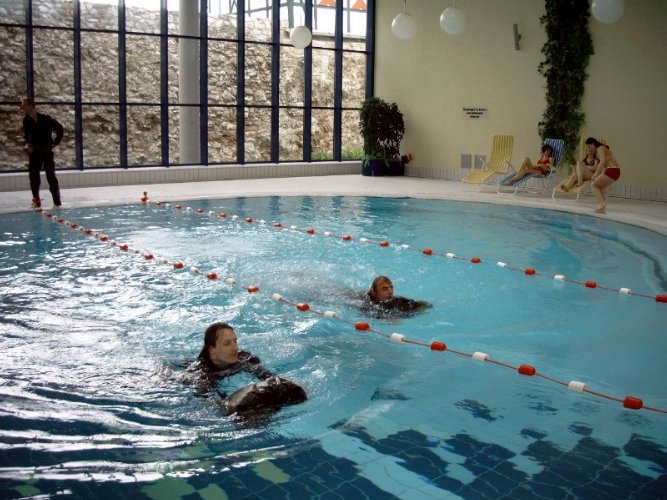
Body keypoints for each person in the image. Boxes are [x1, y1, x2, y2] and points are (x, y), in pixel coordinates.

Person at [187, 322, 306, 417]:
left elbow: (268, 377)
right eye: (227, 343)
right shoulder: (200, 373)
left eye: (235, 341)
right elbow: (212, 405)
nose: (235, 347)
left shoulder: (245, 358)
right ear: (212, 349)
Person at [21, 98, 63, 209]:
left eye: (24, 105)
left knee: (51, 176)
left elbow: (59, 128)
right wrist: (28, 143)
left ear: (31, 106)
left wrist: (56, 142)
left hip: (46, 150)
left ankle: (57, 202)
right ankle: (36, 201)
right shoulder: (26, 120)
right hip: (35, 152)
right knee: (33, 177)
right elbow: (26, 134)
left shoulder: (45, 119)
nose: (22, 107)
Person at [364, 276, 431, 317]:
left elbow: (426, 305)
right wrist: (386, 317)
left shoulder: (399, 301)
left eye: (391, 287)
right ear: (374, 293)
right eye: (385, 289)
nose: (390, 292)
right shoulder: (366, 302)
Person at [587, 137, 621, 214]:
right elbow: (603, 164)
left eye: (589, 146)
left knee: (594, 185)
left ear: (593, 144)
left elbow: (602, 162)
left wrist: (596, 174)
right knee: (598, 187)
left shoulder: (600, 148)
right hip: (615, 170)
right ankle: (602, 208)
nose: (589, 149)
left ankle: (602, 205)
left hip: (612, 170)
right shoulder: (603, 149)